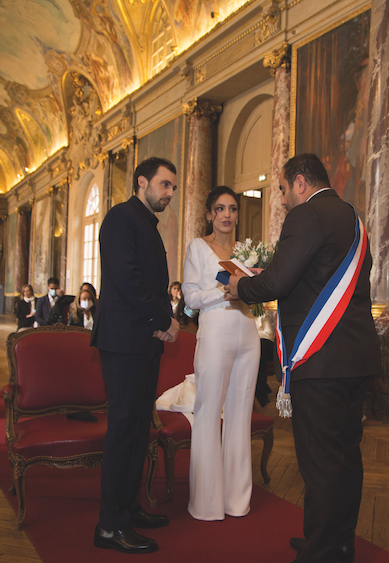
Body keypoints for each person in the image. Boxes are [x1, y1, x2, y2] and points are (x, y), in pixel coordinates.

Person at [226, 154, 381, 563]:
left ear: (299, 182)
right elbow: (322, 277)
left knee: (320, 461)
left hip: (321, 359)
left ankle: (320, 551)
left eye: (280, 189)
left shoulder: (307, 216)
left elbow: (278, 282)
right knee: (346, 456)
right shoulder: (353, 218)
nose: (281, 198)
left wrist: (239, 286)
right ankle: (340, 541)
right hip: (357, 357)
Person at [91, 156, 180, 554]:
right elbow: (127, 279)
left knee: (138, 429)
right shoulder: (120, 218)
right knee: (123, 432)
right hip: (125, 340)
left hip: (142, 339)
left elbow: (152, 282)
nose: (170, 193)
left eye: (173, 188)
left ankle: (128, 507)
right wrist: (164, 320)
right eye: (164, 185)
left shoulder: (145, 222)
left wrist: (162, 322)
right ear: (142, 181)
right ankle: (110, 525)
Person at [182, 186, 260, 521]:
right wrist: (224, 291)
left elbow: (256, 295)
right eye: (220, 208)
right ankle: (207, 503)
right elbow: (190, 299)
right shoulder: (198, 247)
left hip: (247, 333)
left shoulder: (247, 252)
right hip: (214, 333)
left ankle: (237, 500)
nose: (227, 215)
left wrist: (253, 286)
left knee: (241, 416)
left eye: (232, 209)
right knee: (208, 412)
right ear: (210, 214)